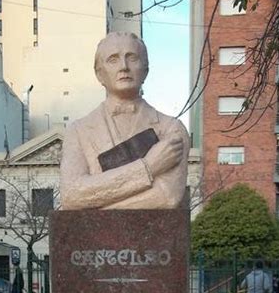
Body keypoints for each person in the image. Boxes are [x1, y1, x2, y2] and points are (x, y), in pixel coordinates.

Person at [60, 32, 190, 210]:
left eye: (132, 58)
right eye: (113, 59)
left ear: (145, 70)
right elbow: (72, 195)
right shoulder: (78, 131)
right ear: (99, 74)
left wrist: (97, 206)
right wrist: (149, 167)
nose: (124, 67)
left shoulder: (171, 129)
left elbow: (167, 197)